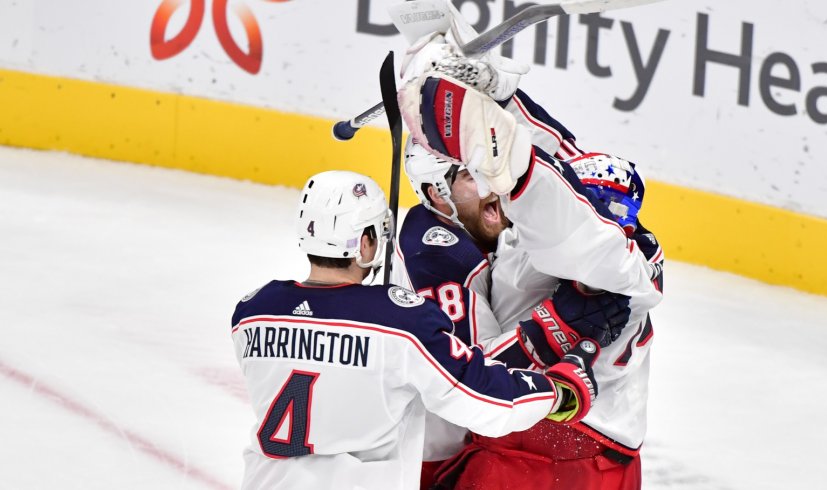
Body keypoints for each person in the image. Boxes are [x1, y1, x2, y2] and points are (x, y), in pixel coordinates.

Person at [393, 39, 664, 488]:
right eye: (469, 174)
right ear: (435, 192)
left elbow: (555, 187)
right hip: (591, 459)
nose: (488, 185)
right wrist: (503, 98)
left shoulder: (552, 239)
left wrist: (501, 100)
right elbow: (563, 172)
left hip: (536, 447)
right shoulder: (439, 249)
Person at [230, 170, 603, 490]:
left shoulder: (251, 314)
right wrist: (558, 393)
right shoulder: (398, 322)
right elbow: (481, 398)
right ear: (366, 242)